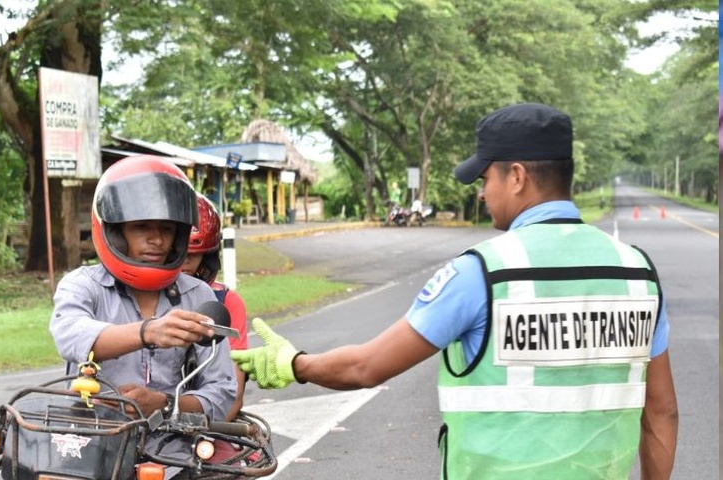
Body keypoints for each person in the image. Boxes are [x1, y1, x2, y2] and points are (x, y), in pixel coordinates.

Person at [231, 103, 678, 479]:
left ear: (517, 176)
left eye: (485, 179)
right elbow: (661, 413)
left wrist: (295, 363)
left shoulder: (484, 272)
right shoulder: (636, 270)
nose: (482, 194)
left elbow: (365, 368)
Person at [49, 156, 237, 478]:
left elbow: (222, 390)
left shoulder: (198, 296)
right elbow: (70, 334)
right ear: (115, 231)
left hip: (176, 455)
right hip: (90, 448)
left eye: (166, 229)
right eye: (141, 227)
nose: (157, 240)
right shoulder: (83, 285)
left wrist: (163, 402)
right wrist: (148, 331)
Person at [181, 193, 250, 464]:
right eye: (175, 254)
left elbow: (232, 392)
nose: (181, 263)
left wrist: (197, 431)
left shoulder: (224, 302)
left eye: (191, 256)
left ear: (207, 257)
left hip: (202, 423)